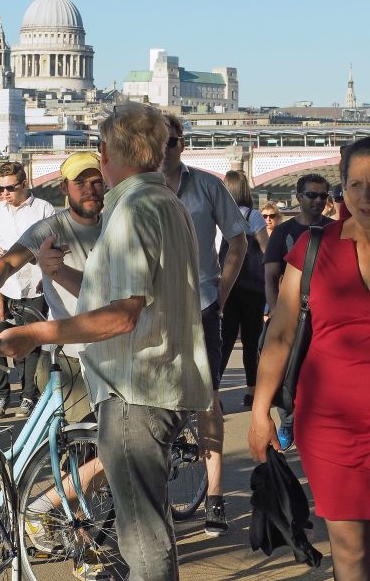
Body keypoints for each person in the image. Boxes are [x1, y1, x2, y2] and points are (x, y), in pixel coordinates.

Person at [0, 102, 213, 581]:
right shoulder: (166, 203)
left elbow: (121, 316)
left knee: (142, 536)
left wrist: (34, 333)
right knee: (149, 530)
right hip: (157, 383)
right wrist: (62, 273)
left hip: (136, 390)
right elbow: (127, 297)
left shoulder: (133, 210)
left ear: (110, 152)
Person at [249, 137, 370, 581]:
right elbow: (280, 333)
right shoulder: (314, 247)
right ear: (343, 189)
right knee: (351, 553)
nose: (366, 197)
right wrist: (260, 412)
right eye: (356, 184)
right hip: (331, 426)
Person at [161, 114, 247, 536]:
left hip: (202, 305)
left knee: (208, 398)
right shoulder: (129, 191)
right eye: (157, 143)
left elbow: (238, 238)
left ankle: (215, 495)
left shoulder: (209, 186)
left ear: (183, 144)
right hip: (151, 311)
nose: (164, 150)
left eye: (172, 142)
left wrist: (223, 292)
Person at [0, 152, 104, 421]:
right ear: (64, 187)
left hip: (112, 346)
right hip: (68, 352)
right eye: (80, 184)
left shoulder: (116, 226)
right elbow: (7, 263)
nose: (89, 190)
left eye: (96, 182)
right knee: (80, 437)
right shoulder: (49, 228)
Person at [263, 173, 333, 451]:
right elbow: (270, 276)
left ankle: (317, 422)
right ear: (298, 197)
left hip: (325, 314)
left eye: (323, 196)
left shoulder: (335, 229)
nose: (318, 201)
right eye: (312, 195)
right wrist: (274, 312)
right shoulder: (283, 232)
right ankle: (289, 421)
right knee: (288, 369)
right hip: (292, 312)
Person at [0, 161, 55, 417]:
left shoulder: (43, 208)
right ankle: (1, 395)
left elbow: (53, 243)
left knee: (31, 342)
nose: (4, 194)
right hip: (5, 284)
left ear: (24, 184)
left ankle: (29, 395)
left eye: (10, 188)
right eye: (0, 189)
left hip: (33, 283)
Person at [219, 171, 268, 407]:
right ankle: (252, 391)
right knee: (250, 341)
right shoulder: (253, 216)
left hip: (226, 286)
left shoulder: (218, 215)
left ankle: (214, 391)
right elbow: (267, 249)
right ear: (245, 190)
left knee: (224, 340)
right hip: (252, 289)